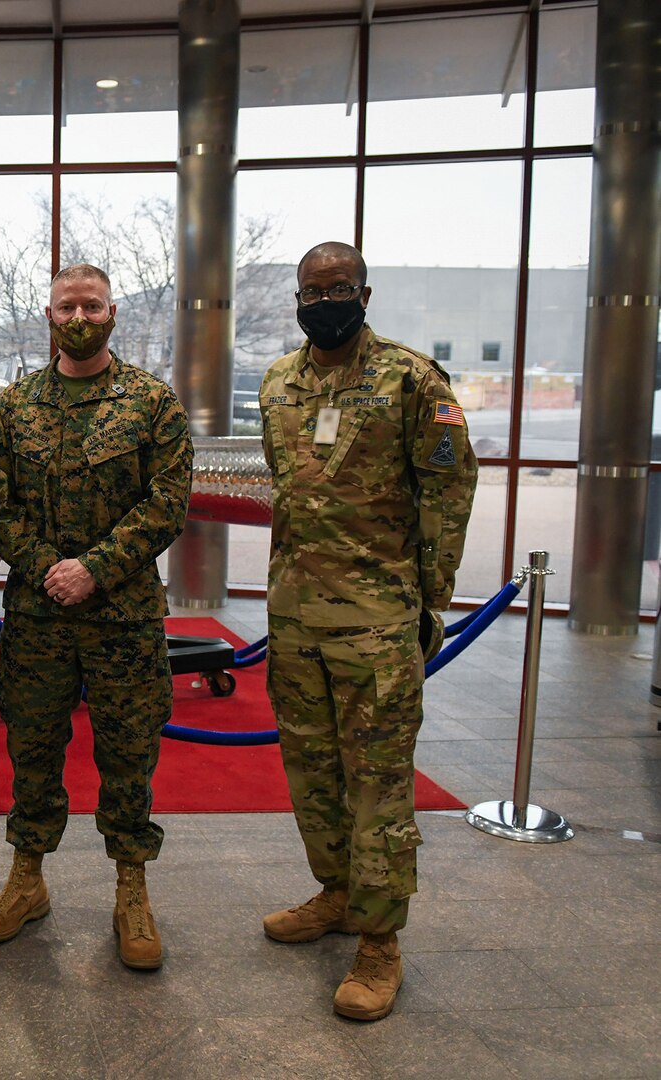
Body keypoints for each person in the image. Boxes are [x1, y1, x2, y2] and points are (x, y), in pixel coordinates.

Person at [259, 241, 478, 1022]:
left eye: (339, 287)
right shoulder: (279, 381)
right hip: (296, 619)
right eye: (312, 290)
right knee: (312, 777)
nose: (325, 300)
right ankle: (338, 894)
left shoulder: (413, 379)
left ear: (365, 293)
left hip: (379, 621)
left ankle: (381, 943)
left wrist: (430, 598)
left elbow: (449, 492)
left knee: (378, 790)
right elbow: (287, 495)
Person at [0, 263, 191, 971]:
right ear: (48, 314)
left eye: (91, 306)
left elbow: (167, 503)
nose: (80, 318)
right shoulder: (14, 408)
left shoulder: (152, 403)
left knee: (129, 755)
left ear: (113, 311)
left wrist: (94, 567)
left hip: (123, 617)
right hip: (38, 617)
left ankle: (131, 889)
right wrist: (47, 567)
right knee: (32, 750)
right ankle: (27, 879)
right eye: (68, 307)